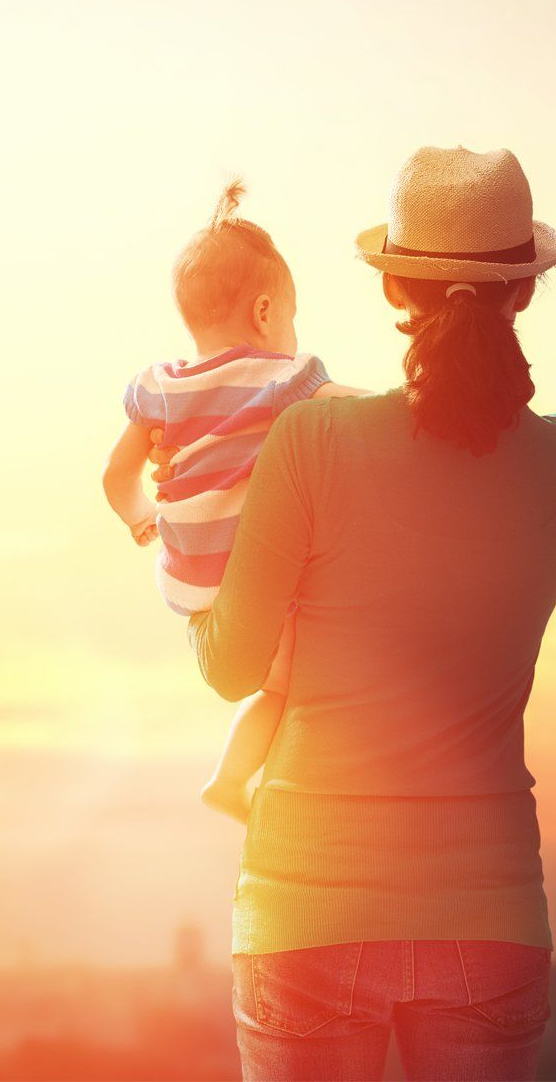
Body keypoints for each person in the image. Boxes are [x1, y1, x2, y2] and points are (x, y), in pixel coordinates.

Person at [185, 147, 556, 1081]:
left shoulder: (312, 441)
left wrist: (187, 558)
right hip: (489, 914)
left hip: (304, 914)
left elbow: (230, 671)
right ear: (524, 292)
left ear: (392, 289)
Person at [101, 181, 364, 822]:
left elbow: (115, 476)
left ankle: (236, 778)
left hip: (191, 583)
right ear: (267, 310)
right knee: (289, 684)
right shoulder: (279, 378)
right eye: (293, 317)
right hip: (250, 578)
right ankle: (232, 780)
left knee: (277, 678)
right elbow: (358, 411)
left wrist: (142, 518)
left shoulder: (159, 389)